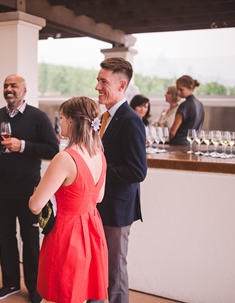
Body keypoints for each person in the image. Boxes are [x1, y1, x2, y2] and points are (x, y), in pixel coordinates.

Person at [0, 74, 58, 303]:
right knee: (5, 238)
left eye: (14, 85)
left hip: (29, 191)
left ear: (24, 90)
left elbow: (52, 149)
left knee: (31, 239)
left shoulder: (38, 117)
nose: (9, 89)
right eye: (6, 85)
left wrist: (22, 146)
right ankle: (10, 284)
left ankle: (35, 288)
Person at [29, 96, 108, 303]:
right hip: (92, 231)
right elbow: (98, 197)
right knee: (81, 294)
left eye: (62, 117)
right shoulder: (99, 153)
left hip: (68, 234)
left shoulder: (65, 158)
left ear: (72, 121)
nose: (60, 122)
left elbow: (36, 205)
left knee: (61, 294)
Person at [95, 57, 147, 303]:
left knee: (114, 271)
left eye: (103, 81)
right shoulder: (104, 117)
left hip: (117, 208)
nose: (97, 87)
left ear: (121, 85)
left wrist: (99, 169)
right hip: (98, 205)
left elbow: (137, 171)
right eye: (97, 80)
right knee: (97, 266)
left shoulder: (130, 120)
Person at [169, 75, 205, 145]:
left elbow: (172, 132)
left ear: (191, 88)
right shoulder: (200, 104)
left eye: (181, 89)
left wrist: (169, 141)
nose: (178, 92)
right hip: (194, 144)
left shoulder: (184, 105)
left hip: (179, 145)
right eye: (177, 89)